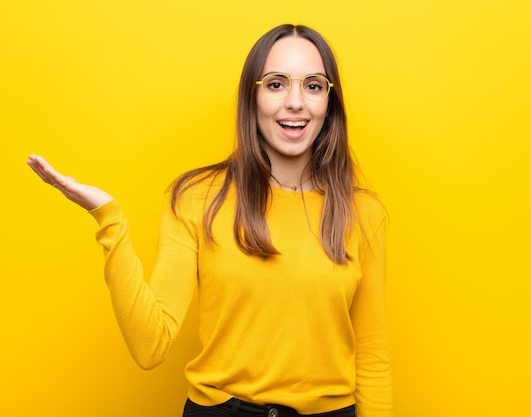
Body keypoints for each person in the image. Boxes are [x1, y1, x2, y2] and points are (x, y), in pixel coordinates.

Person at [27, 24, 392, 417]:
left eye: (314, 86)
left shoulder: (362, 213)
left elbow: (371, 357)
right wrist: (108, 218)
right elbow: (151, 346)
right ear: (251, 98)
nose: (295, 102)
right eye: (275, 84)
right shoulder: (198, 198)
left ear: (329, 103)